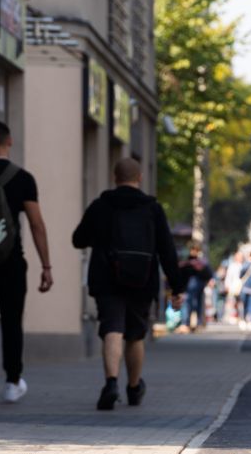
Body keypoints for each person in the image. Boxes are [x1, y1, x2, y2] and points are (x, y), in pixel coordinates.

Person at [72, 157, 183, 410]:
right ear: (140, 178)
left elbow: (78, 239)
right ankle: (134, 388)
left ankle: (111, 383)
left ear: (115, 177)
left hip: (106, 278)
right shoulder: (152, 208)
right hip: (142, 280)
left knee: (112, 328)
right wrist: (177, 288)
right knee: (135, 335)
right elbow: (167, 250)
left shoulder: (101, 205)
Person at [0, 121, 53, 409]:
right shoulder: (23, 178)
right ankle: (12, 382)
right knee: (11, 322)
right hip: (11, 261)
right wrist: (46, 266)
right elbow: (36, 224)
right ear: (9, 141)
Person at [177, 245, 213, 332]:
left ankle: (194, 323)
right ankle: (189, 323)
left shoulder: (202, 262)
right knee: (190, 304)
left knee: (195, 304)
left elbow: (208, 273)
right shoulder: (187, 261)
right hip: (189, 286)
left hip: (197, 285)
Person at [223, 251, 246, 324]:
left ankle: (242, 317)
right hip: (234, 287)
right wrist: (227, 285)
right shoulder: (232, 266)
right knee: (233, 302)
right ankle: (233, 316)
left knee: (241, 303)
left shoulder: (245, 265)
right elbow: (229, 276)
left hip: (243, 287)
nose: (240, 258)